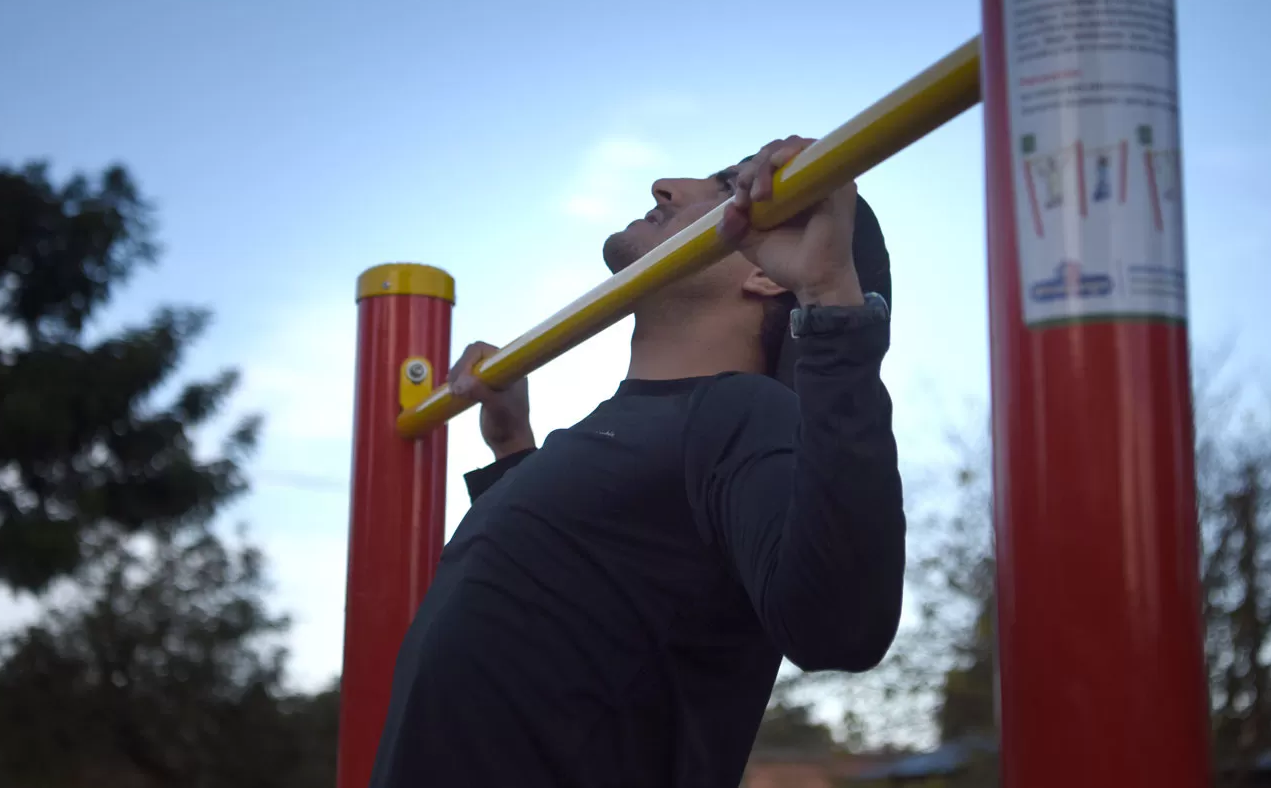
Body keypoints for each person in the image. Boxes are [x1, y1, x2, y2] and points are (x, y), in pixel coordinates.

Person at [369, 136, 906, 788]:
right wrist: (513, 449)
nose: (665, 185)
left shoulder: (740, 415)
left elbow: (843, 626)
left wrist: (826, 291)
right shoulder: (608, 435)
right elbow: (563, 611)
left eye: (725, 187)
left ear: (767, 270)